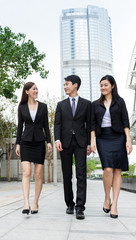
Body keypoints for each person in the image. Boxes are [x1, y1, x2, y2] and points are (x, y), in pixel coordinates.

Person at [90, 75, 133, 219]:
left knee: (117, 171)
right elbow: (92, 125)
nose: (103, 87)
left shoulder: (120, 102)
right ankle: (107, 197)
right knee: (107, 169)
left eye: (106, 85)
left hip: (118, 137)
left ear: (112, 86)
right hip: (103, 138)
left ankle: (114, 204)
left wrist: (128, 140)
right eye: (101, 85)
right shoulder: (95, 104)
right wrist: (92, 141)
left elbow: (125, 122)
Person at [54, 75, 91, 220]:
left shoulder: (87, 104)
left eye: (67, 84)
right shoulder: (61, 104)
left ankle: (80, 208)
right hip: (65, 143)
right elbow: (57, 124)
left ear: (75, 85)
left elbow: (89, 125)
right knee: (67, 175)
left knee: (81, 175)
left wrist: (88, 143)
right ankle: (69, 203)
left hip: (81, 143)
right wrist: (57, 139)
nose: (65, 87)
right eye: (64, 84)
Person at [15, 82, 52, 215]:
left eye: (37, 88)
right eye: (33, 89)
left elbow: (46, 125)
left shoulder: (43, 106)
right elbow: (20, 126)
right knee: (26, 172)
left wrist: (49, 141)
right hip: (26, 142)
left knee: (37, 175)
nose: (36, 90)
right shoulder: (22, 107)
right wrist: (17, 143)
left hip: (39, 143)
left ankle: (35, 202)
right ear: (27, 91)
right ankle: (26, 203)